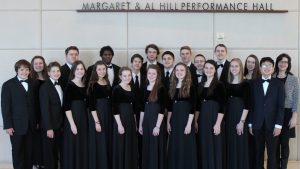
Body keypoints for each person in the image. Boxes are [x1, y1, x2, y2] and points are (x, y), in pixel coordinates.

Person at [1, 59, 38, 169]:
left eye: (27, 69)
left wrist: (37, 122)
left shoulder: (34, 83)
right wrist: (8, 125)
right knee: (18, 151)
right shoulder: (8, 85)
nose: (24, 72)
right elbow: (5, 107)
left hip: (31, 124)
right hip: (16, 125)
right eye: (21, 70)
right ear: (17, 70)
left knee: (30, 152)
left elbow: (36, 104)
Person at [248, 57, 285, 169]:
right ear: (260, 67)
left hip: (273, 124)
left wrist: (279, 125)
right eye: (264, 65)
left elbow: (281, 106)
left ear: (273, 68)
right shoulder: (253, 83)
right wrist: (250, 124)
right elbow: (251, 105)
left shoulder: (279, 84)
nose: (267, 67)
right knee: (258, 152)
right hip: (257, 124)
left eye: (270, 65)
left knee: (272, 154)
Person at [195, 59, 226, 169]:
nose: (208, 70)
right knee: (204, 144)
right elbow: (197, 106)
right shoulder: (200, 85)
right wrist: (195, 122)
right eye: (206, 68)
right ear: (203, 69)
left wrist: (218, 124)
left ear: (215, 70)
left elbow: (222, 107)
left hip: (214, 118)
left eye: (211, 68)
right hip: (203, 119)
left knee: (215, 144)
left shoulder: (219, 85)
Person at [167, 63, 197, 169]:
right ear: (174, 72)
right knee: (175, 144)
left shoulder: (191, 87)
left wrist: (189, 124)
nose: (179, 72)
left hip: (186, 119)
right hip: (175, 120)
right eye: (177, 70)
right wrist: (168, 122)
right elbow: (170, 107)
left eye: (182, 70)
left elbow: (192, 108)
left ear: (186, 72)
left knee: (186, 145)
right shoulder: (172, 86)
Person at [273, 53, 299, 169]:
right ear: (277, 63)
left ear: (288, 64)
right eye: (280, 61)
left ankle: (283, 167)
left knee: (284, 143)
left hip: (288, 114)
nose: (283, 64)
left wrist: (294, 117)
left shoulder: (293, 79)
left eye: (285, 62)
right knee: (274, 143)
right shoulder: (272, 77)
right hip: (273, 114)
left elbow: (296, 99)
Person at [138, 65, 166, 169]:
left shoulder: (161, 88)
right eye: (149, 73)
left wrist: (157, 126)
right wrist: (141, 125)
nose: (151, 75)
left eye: (154, 73)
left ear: (158, 75)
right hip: (146, 122)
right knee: (147, 146)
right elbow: (142, 109)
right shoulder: (144, 87)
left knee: (155, 146)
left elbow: (162, 109)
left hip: (156, 121)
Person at [225, 58, 250, 169]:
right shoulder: (227, 82)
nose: (234, 68)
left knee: (240, 142)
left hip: (240, 116)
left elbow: (248, 105)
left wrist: (242, 122)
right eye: (232, 66)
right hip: (229, 115)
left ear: (240, 68)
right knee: (229, 142)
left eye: (236, 66)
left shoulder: (245, 83)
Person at [63, 60, 88, 169]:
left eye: (82, 69)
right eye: (77, 69)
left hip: (84, 117)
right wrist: (72, 124)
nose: (80, 71)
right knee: (74, 144)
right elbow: (67, 107)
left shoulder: (85, 84)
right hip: (73, 118)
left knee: (83, 144)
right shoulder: (70, 85)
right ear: (73, 71)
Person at [112, 67, 138, 169]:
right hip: (121, 119)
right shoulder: (117, 89)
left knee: (129, 145)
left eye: (129, 75)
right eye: (124, 76)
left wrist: (135, 123)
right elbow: (115, 109)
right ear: (120, 76)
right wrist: (119, 125)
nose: (127, 78)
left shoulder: (131, 87)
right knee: (121, 144)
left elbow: (134, 108)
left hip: (130, 119)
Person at [87, 61, 112, 169]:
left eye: (103, 69)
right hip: (97, 115)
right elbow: (91, 106)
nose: (102, 71)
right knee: (99, 141)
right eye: (99, 69)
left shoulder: (107, 82)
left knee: (107, 140)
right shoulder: (92, 84)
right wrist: (96, 122)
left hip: (107, 114)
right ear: (95, 71)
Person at [39, 62, 64, 169]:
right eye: (53, 71)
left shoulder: (61, 84)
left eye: (58, 71)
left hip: (59, 125)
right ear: (48, 73)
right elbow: (44, 109)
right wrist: (49, 128)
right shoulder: (45, 87)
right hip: (49, 127)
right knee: (49, 155)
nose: (56, 73)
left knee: (56, 152)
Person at [30, 56, 48, 169]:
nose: (38, 65)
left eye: (40, 63)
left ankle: (44, 163)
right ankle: (36, 163)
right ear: (32, 65)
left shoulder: (48, 77)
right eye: (35, 63)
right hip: (35, 113)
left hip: (46, 113)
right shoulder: (29, 79)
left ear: (44, 64)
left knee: (45, 140)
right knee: (36, 140)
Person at [243, 54, 260, 169]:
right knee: (246, 141)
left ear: (256, 64)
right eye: (248, 62)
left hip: (254, 112)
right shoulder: (241, 77)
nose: (250, 64)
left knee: (255, 141)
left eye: (253, 62)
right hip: (243, 112)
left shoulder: (259, 79)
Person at [130, 54, 146, 169]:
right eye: (135, 61)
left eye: (140, 62)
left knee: (142, 140)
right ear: (131, 63)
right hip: (130, 113)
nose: (137, 64)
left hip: (144, 113)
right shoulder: (126, 77)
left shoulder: (147, 77)